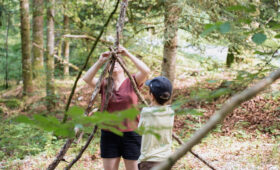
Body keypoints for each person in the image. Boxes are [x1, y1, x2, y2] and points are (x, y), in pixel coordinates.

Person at [83, 46, 150, 170]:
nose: (114, 64)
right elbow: (87, 79)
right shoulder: (104, 84)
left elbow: (146, 71)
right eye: (111, 62)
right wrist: (100, 61)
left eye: (117, 61)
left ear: (123, 65)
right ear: (108, 68)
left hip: (132, 133)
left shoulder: (132, 81)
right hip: (109, 134)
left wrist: (127, 53)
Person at [138, 76, 174, 170]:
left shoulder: (146, 112)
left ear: (152, 96)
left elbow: (140, 131)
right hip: (166, 159)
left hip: (149, 161)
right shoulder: (170, 112)